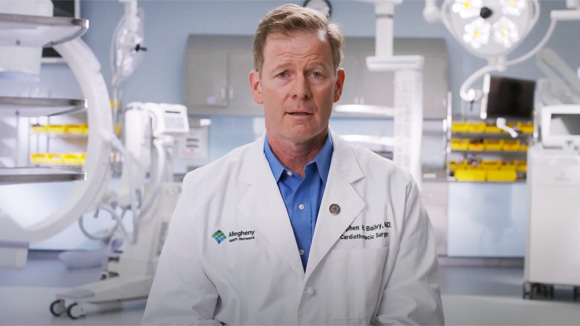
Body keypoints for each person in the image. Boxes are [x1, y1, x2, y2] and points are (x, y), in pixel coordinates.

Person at [143, 4, 444, 325]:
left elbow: (416, 317)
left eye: (315, 73)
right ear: (257, 86)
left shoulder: (396, 190)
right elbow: (173, 316)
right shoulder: (203, 190)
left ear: (338, 85)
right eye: (283, 73)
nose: (300, 91)